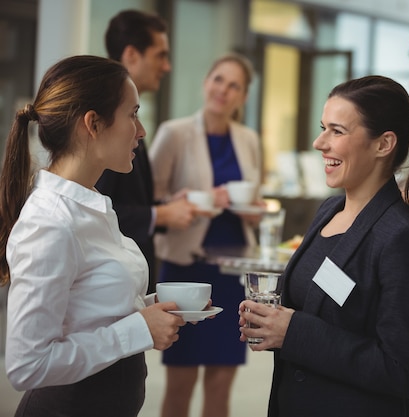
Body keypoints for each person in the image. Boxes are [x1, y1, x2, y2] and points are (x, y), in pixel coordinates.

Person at [239, 75, 409, 416]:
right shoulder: (329, 210)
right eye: (323, 128)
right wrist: (270, 321)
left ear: (384, 144)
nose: (320, 143)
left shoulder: (403, 239)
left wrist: (293, 332)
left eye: (337, 131)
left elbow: (401, 371)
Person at [0, 55, 185, 417]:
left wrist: (150, 310)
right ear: (93, 124)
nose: (141, 130)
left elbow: (87, 311)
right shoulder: (50, 222)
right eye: (133, 114)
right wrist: (136, 329)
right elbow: (26, 365)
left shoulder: (93, 203)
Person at [149, 52, 262, 417]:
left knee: (221, 382)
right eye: (219, 80)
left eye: (235, 86)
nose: (224, 91)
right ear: (205, 82)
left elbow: (255, 204)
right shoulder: (174, 133)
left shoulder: (248, 139)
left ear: (243, 97)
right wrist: (199, 202)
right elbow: (149, 198)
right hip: (185, 270)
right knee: (180, 382)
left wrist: (251, 208)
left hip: (231, 274)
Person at [96, 9, 196, 294]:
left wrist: (165, 206)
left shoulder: (129, 119)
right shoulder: (108, 123)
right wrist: (161, 215)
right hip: (113, 284)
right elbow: (99, 207)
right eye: (160, 55)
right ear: (131, 55)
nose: (167, 67)